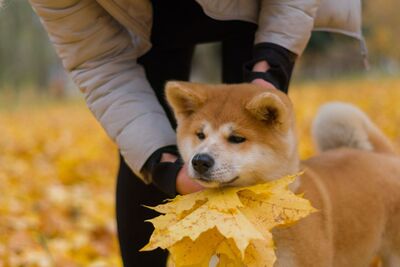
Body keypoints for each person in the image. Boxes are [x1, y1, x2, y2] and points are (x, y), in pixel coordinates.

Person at [28, 0, 363, 266]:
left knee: (251, 157)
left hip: (250, 8)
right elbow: (98, 62)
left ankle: (272, 254)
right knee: (144, 147)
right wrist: (163, 165)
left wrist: (270, 68)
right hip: (146, 20)